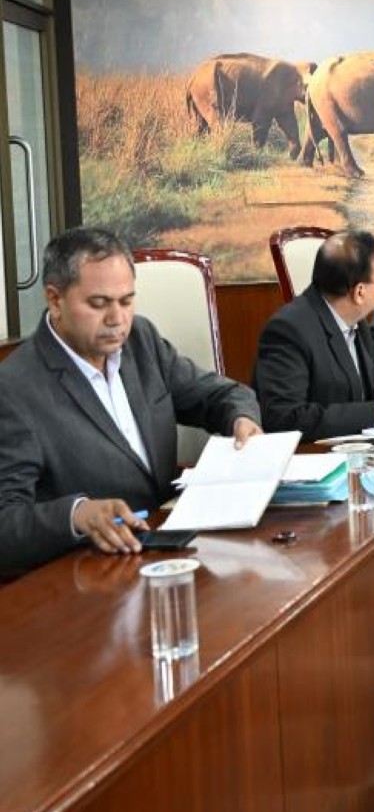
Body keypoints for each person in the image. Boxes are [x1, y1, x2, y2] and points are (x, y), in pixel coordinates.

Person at [0, 228, 261, 574]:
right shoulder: (15, 387)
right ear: (54, 300)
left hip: (169, 550)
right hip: (88, 577)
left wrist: (240, 419)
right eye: (99, 303)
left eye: (126, 301)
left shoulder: (141, 340)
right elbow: (6, 523)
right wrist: (77, 514)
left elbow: (223, 394)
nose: (117, 319)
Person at [254, 230, 374, 441]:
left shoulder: (355, 320)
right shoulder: (288, 330)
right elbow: (285, 418)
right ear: (359, 292)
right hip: (317, 460)